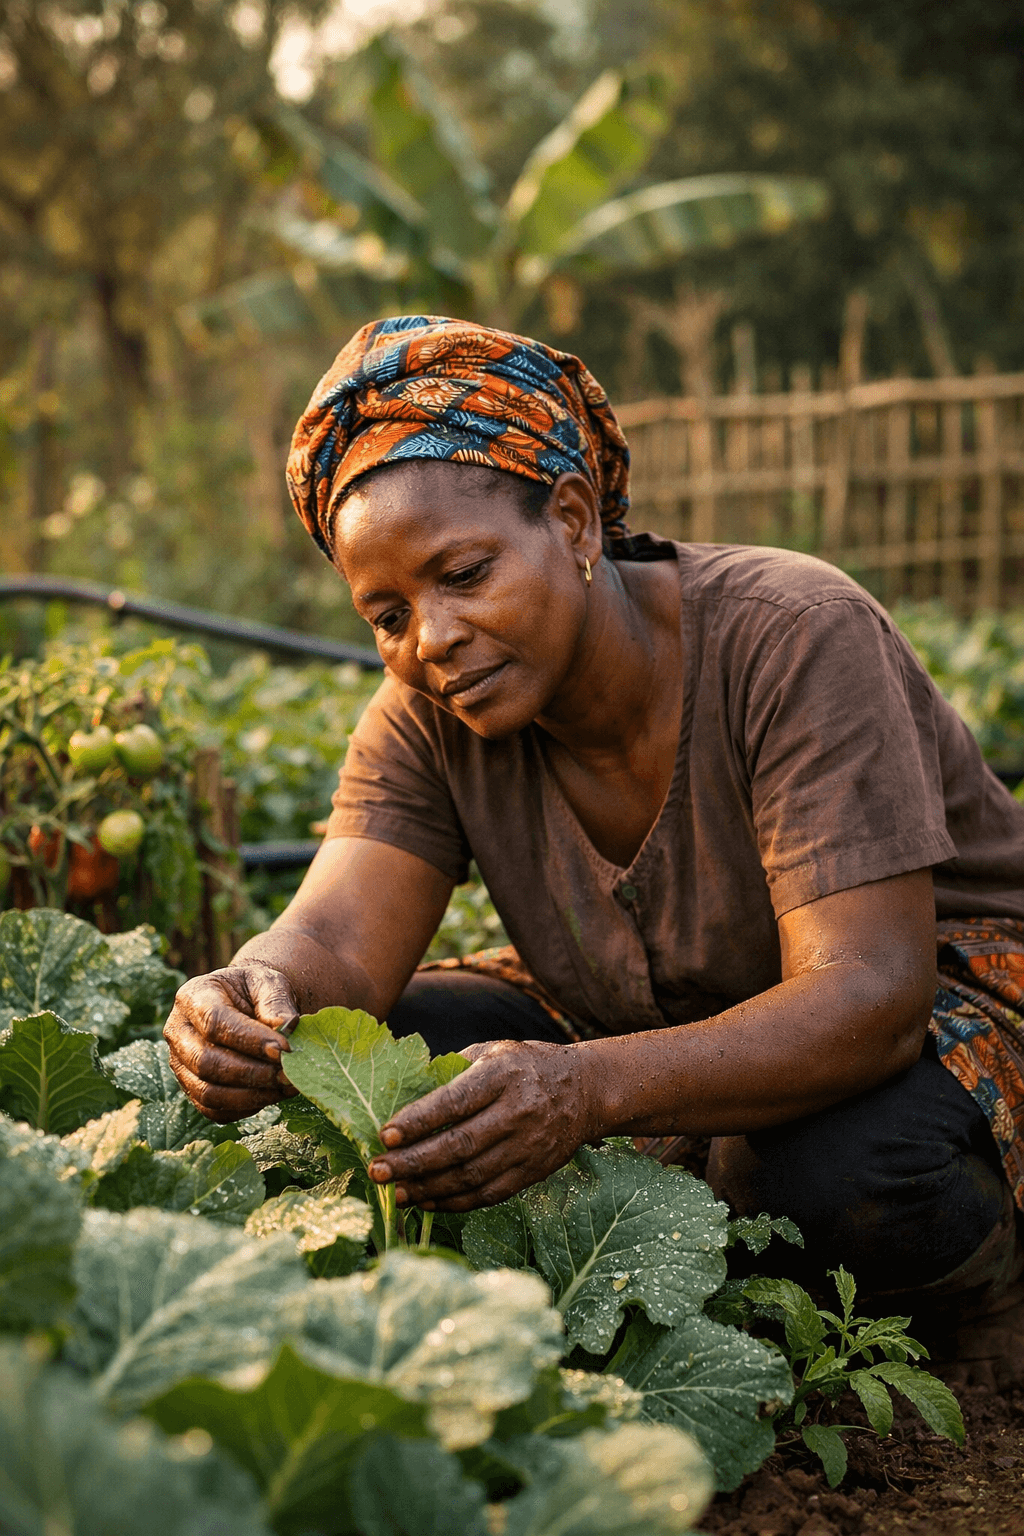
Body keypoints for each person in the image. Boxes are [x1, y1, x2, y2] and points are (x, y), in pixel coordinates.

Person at [164, 315, 1024, 1388]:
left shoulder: (792, 633)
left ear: (571, 521)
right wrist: (254, 993)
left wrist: (586, 1090)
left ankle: (987, 1286)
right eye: (387, 613)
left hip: (932, 1009)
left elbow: (872, 994)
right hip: (643, 1017)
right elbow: (336, 933)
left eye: (464, 573)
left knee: (829, 1172)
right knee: (366, 1057)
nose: (431, 639)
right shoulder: (429, 712)